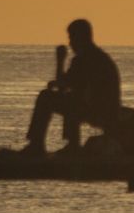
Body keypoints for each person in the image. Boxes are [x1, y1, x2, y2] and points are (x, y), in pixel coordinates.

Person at [23, 19, 120, 156]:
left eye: (72, 38)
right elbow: (67, 85)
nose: (70, 43)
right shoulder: (96, 57)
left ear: (81, 37)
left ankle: (42, 145)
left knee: (47, 97)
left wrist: (60, 60)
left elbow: (65, 84)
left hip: (100, 110)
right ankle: (68, 144)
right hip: (103, 109)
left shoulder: (87, 59)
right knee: (69, 99)